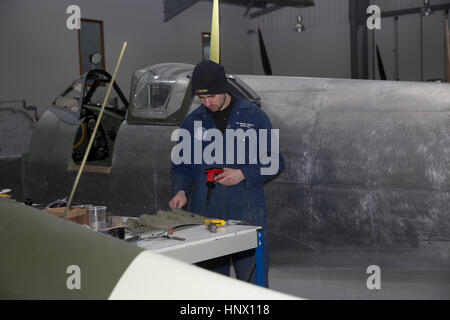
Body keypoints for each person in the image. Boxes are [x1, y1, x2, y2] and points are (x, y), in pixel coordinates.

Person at [169, 60, 284, 286]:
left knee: (253, 284)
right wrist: (181, 190)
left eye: (211, 96)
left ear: (224, 89)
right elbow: (181, 166)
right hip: (206, 218)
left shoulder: (254, 117)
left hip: (246, 215)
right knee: (211, 286)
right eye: (201, 98)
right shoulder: (192, 123)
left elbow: (275, 161)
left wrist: (243, 174)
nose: (207, 102)